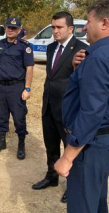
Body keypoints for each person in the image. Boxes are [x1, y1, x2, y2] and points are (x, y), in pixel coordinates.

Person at [54, 0, 109, 213]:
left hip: (92, 143)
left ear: (104, 23)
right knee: (96, 199)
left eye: (88, 21)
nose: (85, 26)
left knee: (82, 205)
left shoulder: (99, 58)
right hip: (107, 138)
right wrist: (80, 67)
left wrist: (67, 157)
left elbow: (91, 113)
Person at [31, 11, 87, 203]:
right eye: (53, 27)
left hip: (68, 108)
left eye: (59, 27)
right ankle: (51, 177)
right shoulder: (51, 47)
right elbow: (52, 77)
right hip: (49, 104)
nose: (54, 31)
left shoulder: (81, 49)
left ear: (70, 28)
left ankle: (72, 185)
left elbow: (83, 81)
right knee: (50, 144)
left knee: (69, 147)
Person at [0, 17, 34, 160]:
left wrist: (28, 89)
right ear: (5, 28)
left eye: (14, 28)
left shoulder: (24, 46)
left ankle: (21, 144)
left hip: (16, 87)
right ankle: (2, 142)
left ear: (19, 29)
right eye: (8, 27)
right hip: (0, 87)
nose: (10, 30)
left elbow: (29, 68)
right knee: (1, 115)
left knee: (19, 117)